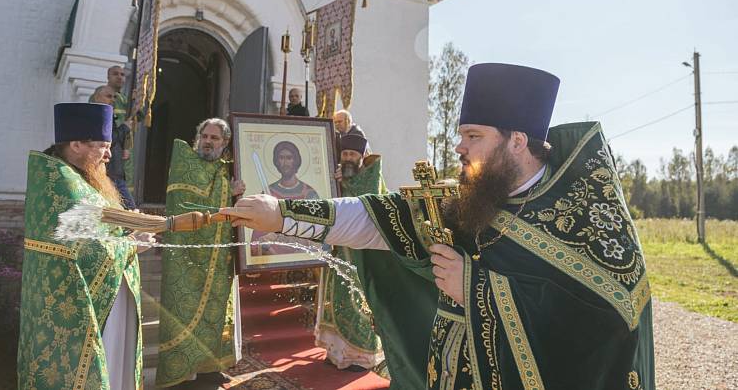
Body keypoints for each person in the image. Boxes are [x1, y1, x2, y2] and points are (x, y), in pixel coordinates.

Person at [221, 63, 656, 390]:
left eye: (473, 136)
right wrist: (281, 214)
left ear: (517, 141)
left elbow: (609, 321)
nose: (459, 147)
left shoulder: (585, 211)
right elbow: (377, 219)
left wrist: (475, 287)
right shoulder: (477, 196)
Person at [18, 102, 154, 390]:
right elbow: (82, 249)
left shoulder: (82, 178)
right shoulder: (59, 182)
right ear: (77, 144)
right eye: (103, 146)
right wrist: (130, 246)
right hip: (73, 312)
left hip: (105, 299)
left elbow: (99, 226)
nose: (109, 155)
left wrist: (127, 225)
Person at [156, 118, 246, 389]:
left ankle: (207, 369)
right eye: (204, 136)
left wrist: (233, 195)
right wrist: (228, 192)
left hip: (216, 257)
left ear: (225, 143)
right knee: (180, 313)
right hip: (185, 258)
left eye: (214, 138)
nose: (207, 141)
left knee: (215, 314)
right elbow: (187, 206)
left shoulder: (226, 169)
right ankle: (179, 373)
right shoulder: (185, 164)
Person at [316, 134, 387, 373]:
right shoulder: (339, 175)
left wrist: (344, 184)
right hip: (339, 249)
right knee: (337, 299)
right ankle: (337, 353)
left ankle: (360, 356)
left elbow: (366, 201)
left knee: (357, 300)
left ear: (361, 156)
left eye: (352, 155)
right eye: (345, 154)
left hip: (361, 253)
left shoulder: (371, 174)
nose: (348, 158)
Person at [92, 85, 135, 209]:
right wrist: (124, 127)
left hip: (115, 171)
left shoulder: (107, 115)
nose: (112, 100)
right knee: (129, 210)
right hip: (109, 172)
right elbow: (108, 139)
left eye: (114, 97)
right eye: (108, 96)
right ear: (97, 97)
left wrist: (123, 148)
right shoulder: (97, 116)